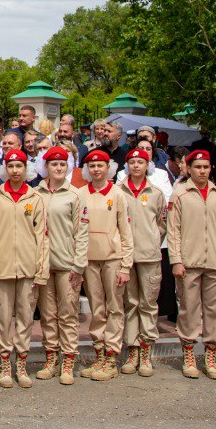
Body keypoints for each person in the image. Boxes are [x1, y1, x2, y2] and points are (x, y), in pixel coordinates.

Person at [167, 149, 216, 379]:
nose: (202, 171)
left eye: (206, 167)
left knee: (215, 311)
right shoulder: (180, 195)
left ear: (211, 168)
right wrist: (176, 260)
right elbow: (173, 230)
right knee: (188, 310)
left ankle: (210, 356)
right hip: (189, 262)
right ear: (189, 167)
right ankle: (188, 353)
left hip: (215, 262)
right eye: (197, 166)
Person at [0, 148, 44, 389]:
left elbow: (42, 237)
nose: (15, 171)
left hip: (28, 267)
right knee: (1, 317)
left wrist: (41, 268)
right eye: (11, 166)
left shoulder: (35, 198)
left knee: (25, 317)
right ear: (5, 169)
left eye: (19, 166)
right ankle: (4, 362)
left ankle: (21, 362)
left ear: (26, 169)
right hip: (2, 266)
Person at [34, 146, 87, 385]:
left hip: (67, 263)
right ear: (46, 167)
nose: (58, 168)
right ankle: (51, 357)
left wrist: (79, 265)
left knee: (67, 314)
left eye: (62, 164)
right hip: (44, 264)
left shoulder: (75, 195)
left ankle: (68, 359)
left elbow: (82, 232)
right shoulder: (36, 194)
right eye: (53, 164)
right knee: (48, 314)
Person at [79, 148, 133, 382]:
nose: (96, 169)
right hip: (89, 258)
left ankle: (112, 355)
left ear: (108, 168)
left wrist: (126, 265)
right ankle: (99, 354)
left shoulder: (118, 194)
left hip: (112, 258)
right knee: (96, 308)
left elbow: (125, 230)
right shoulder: (80, 193)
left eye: (101, 165)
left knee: (115, 307)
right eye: (92, 166)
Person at [118, 148, 166, 377]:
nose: (136, 165)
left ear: (148, 165)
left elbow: (162, 223)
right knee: (130, 303)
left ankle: (146, 350)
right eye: (133, 162)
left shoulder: (156, 193)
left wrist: (153, 240)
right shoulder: (119, 192)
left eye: (141, 162)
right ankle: (132, 349)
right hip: (125, 257)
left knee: (148, 303)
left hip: (149, 256)